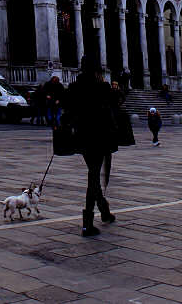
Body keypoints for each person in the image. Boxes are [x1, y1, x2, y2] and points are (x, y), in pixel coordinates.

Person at [55, 67, 124, 237]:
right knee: (93, 176)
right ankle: (87, 224)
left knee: (93, 173)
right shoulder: (102, 87)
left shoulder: (74, 87)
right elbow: (116, 103)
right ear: (96, 73)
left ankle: (104, 211)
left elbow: (65, 107)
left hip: (82, 137)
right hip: (100, 137)